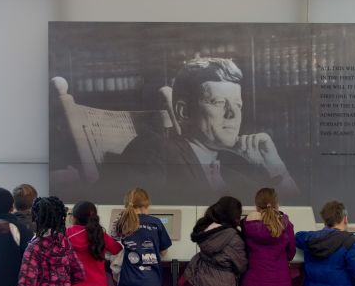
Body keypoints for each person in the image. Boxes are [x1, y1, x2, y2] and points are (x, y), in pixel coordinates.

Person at [115, 57, 299, 204]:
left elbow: (290, 215)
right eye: (219, 103)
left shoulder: (234, 174)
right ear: (184, 111)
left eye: (238, 105)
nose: (233, 114)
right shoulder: (153, 148)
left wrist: (276, 168)